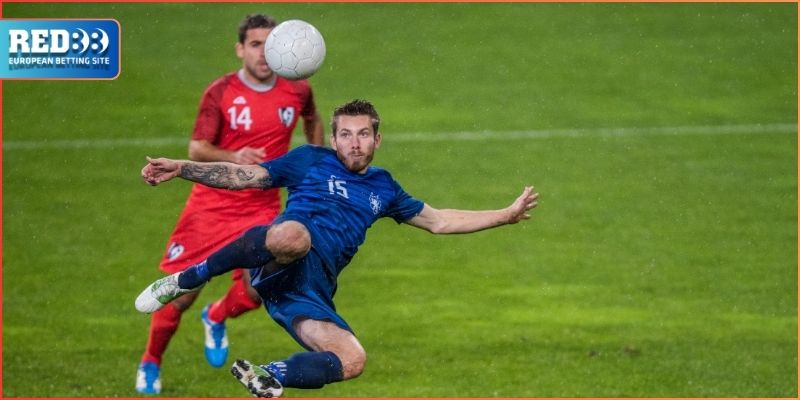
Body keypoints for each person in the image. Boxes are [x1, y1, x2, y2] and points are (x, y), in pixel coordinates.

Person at [135, 99, 538, 397]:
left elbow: (440, 221)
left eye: (363, 134)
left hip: (309, 289)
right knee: (294, 237)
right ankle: (187, 279)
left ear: (377, 139)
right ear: (333, 138)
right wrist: (182, 167)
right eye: (346, 134)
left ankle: (269, 374)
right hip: (279, 255)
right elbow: (243, 176)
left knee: (352, 359)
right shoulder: (309, 159)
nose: (355, 143)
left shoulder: (384, 187)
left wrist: (505, 215)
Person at [135, 13, 324, 395]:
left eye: (269, 45)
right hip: (211, 207)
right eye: (255, 44)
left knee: (258, 292)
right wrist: (232, 156)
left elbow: (313, 119)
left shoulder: (297, 89)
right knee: (180, 296)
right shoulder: (220, 92)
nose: (263, 53)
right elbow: (196, 148)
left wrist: (315, 161)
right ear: (240, 49)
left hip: (261, 207)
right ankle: (151, 360)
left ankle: (216, 315)